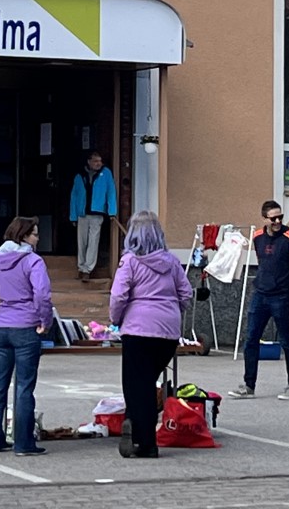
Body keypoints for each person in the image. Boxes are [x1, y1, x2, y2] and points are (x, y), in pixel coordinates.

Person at [108, 210, 192, 458]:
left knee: (136, 385)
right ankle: (132, 423)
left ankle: (145, 441)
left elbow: (118, 296)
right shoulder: (172, 262)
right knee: (146, 382)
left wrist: (116, 319)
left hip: (137, 328)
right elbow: (185, 293)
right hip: (167, 332)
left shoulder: (130, 261)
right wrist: (172, 311)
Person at [0, 216, 52, 457]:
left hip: (3, 327)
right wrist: (45, 321)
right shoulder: (33, 261)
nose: (38, 238)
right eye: (35, 234)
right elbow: (42, 294)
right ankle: (24, 443)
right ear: (24, 236)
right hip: (26, 327)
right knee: (24, 387)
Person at [230, 200, 289, 400]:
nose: (277, 221)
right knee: (251, 339)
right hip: (260, 294)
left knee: (287, 341)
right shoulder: (258, 237)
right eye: (273, 218)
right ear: (265, 218)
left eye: (280, 217)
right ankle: (249, 385)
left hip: (281, 296)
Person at [69, 151, 116, 282]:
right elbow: (74, 196)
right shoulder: (80, 175)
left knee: (93, 241)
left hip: (97, 213)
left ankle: (87, 270)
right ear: (89, 162)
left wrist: (112, 211)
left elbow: (111, 191)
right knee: (82, 241)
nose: (98, 164)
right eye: (95, 161)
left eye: (100, 161)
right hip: (82, 213)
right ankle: (81, 266)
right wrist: (73, 216)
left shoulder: (106, 173)